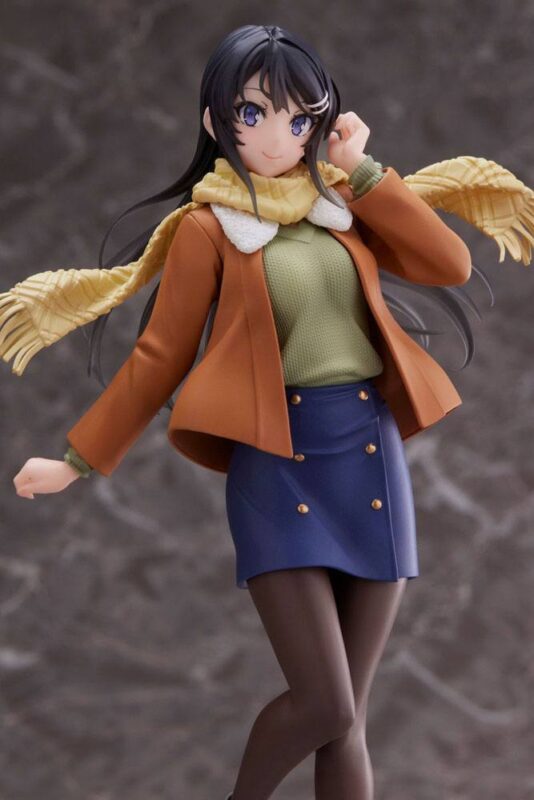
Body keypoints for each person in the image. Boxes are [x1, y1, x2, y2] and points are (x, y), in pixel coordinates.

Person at [6, 23, 532, 800]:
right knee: (324, 703)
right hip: (277, 464)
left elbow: (447, 263)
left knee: (347, 723)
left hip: (368, 458)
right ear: (216, 121)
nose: (280, 136)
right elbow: (160, 355)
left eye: (300, 118)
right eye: (254, 114)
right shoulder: (209, 228)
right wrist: (78, 460)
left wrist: (366, 170)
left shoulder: (341, 203)